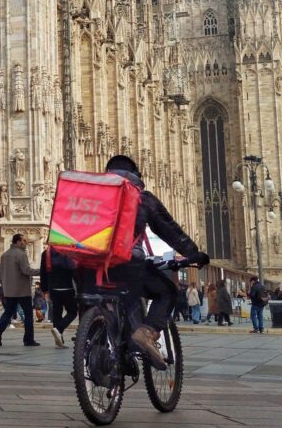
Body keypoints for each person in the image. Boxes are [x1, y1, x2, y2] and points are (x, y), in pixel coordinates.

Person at [99, 155, 208, 368]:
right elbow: (169, 229)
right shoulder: (141, 197)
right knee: (166, 290)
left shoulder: (93, 194)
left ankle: (102, 342)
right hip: (126, 262)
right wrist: (194, 253)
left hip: (88, 264)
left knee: (107, 297)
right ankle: (146, 332)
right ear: (136, 175)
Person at [0, 233, 38, 347]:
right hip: (22, 290)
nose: (26, 243)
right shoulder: (21, 254)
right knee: (28, 315)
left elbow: (1, 272)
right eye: (24, 241)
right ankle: (28, 340)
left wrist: (4, 286)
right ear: (18, 242)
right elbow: (26, 270)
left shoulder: (4, 255)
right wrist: (41, 271)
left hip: (9, 290)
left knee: (8, 312)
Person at [40, 246, 77, 348]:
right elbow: (74, 270)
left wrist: (44, 289)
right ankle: (59, 329)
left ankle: (59, 342)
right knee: (72, 311)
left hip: (53, 288)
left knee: (57, 313)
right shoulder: (69, 251)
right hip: (68, 287)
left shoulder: (46, 253)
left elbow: (43, 272)